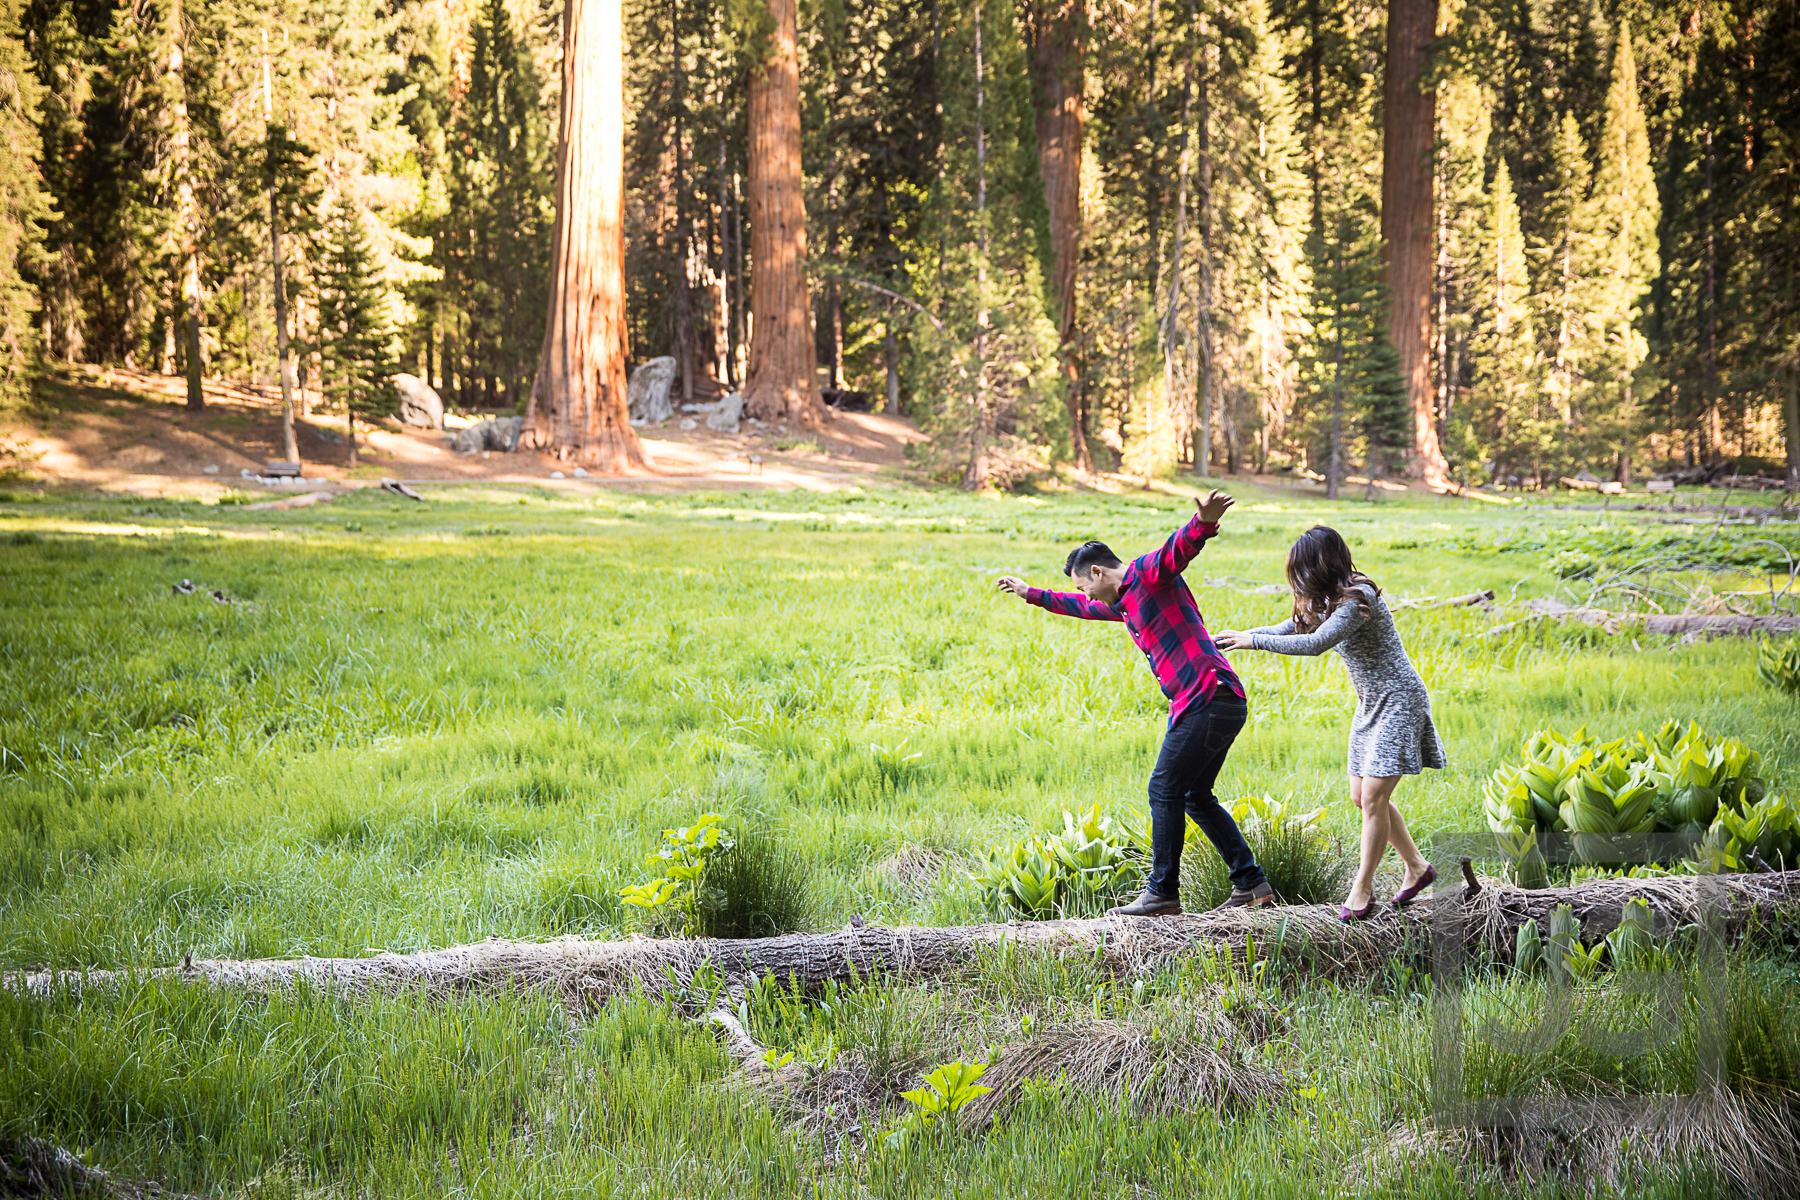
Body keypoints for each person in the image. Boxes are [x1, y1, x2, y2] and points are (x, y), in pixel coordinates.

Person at [996, 490, 1275, 917]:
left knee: (1164, 789)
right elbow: (1077, 607)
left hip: (1206, 696)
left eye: (1084, 585)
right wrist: (1029, 592)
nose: (1085, 595)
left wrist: (1204, 523)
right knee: (1195, 796)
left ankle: (1162, 893)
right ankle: (1251, 883)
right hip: (1218, 701)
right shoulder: (1125, 603)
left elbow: (1176, 550)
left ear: (1097, 571)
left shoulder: (1146, 575)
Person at [1215, 525, 1445, 921]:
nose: (1299, 581)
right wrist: (1243, 635)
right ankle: (1418, 868)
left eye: (1303, 571)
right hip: (1371, 702)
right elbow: (1295, 629)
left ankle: (1362, 889)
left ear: (1321, 566)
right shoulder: (1327, 601)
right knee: (1362, 797)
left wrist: (1254, 642)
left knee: (1373, 797)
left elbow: (1314, 643)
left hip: (1400, 699)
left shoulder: (1359, 599)